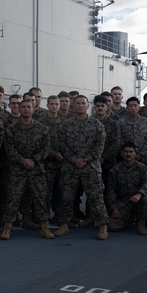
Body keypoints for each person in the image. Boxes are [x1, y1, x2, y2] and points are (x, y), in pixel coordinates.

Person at [53, 95, 110, 240]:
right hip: (69, 168)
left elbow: (99, 148)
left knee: (96, 198)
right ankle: (64, 225)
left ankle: (103, 226)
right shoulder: (65, 125)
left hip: (90, 167)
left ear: (87, 105)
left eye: (82, 103)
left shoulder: (97, 125)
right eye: (77, 103)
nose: (80, 106)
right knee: (66, 197)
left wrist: (84, 159)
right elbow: (61, 145)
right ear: (73, 106)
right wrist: (74, 159)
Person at [1, 98, 54, 240]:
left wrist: (34, 160)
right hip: (17, 170)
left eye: (28, 107)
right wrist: (23, 160)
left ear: (33, 109)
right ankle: (7, 228)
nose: (25, 109)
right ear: (18, 108)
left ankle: (44, 227)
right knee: (13, 198)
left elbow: (46, 149)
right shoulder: (11, 129)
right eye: (22, 106)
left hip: (36, 169)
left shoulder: (42, 129)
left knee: (40, 198)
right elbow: (9, 150)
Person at [106, 142, 147, 234]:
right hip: (123, 201)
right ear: (122, 153)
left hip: (138, 199)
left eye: (131, 152)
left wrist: (139, 194)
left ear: (135, 153)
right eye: (126, 152)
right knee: (112, 226)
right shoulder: (115, 170)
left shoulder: (142, 168)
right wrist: (113, 207)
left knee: (146, 199)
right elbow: (111, 190)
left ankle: (141, 223)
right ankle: (129, 218)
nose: (128, 154)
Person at [117, 96, 147, 162]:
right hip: (125, 157)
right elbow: (118, 140)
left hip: (143, 158)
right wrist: (126, 153)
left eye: (135, 105)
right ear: (127, 108)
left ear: (139, 107)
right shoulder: (120, 123)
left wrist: (140, 155)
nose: (133, 108)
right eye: (130, 106)